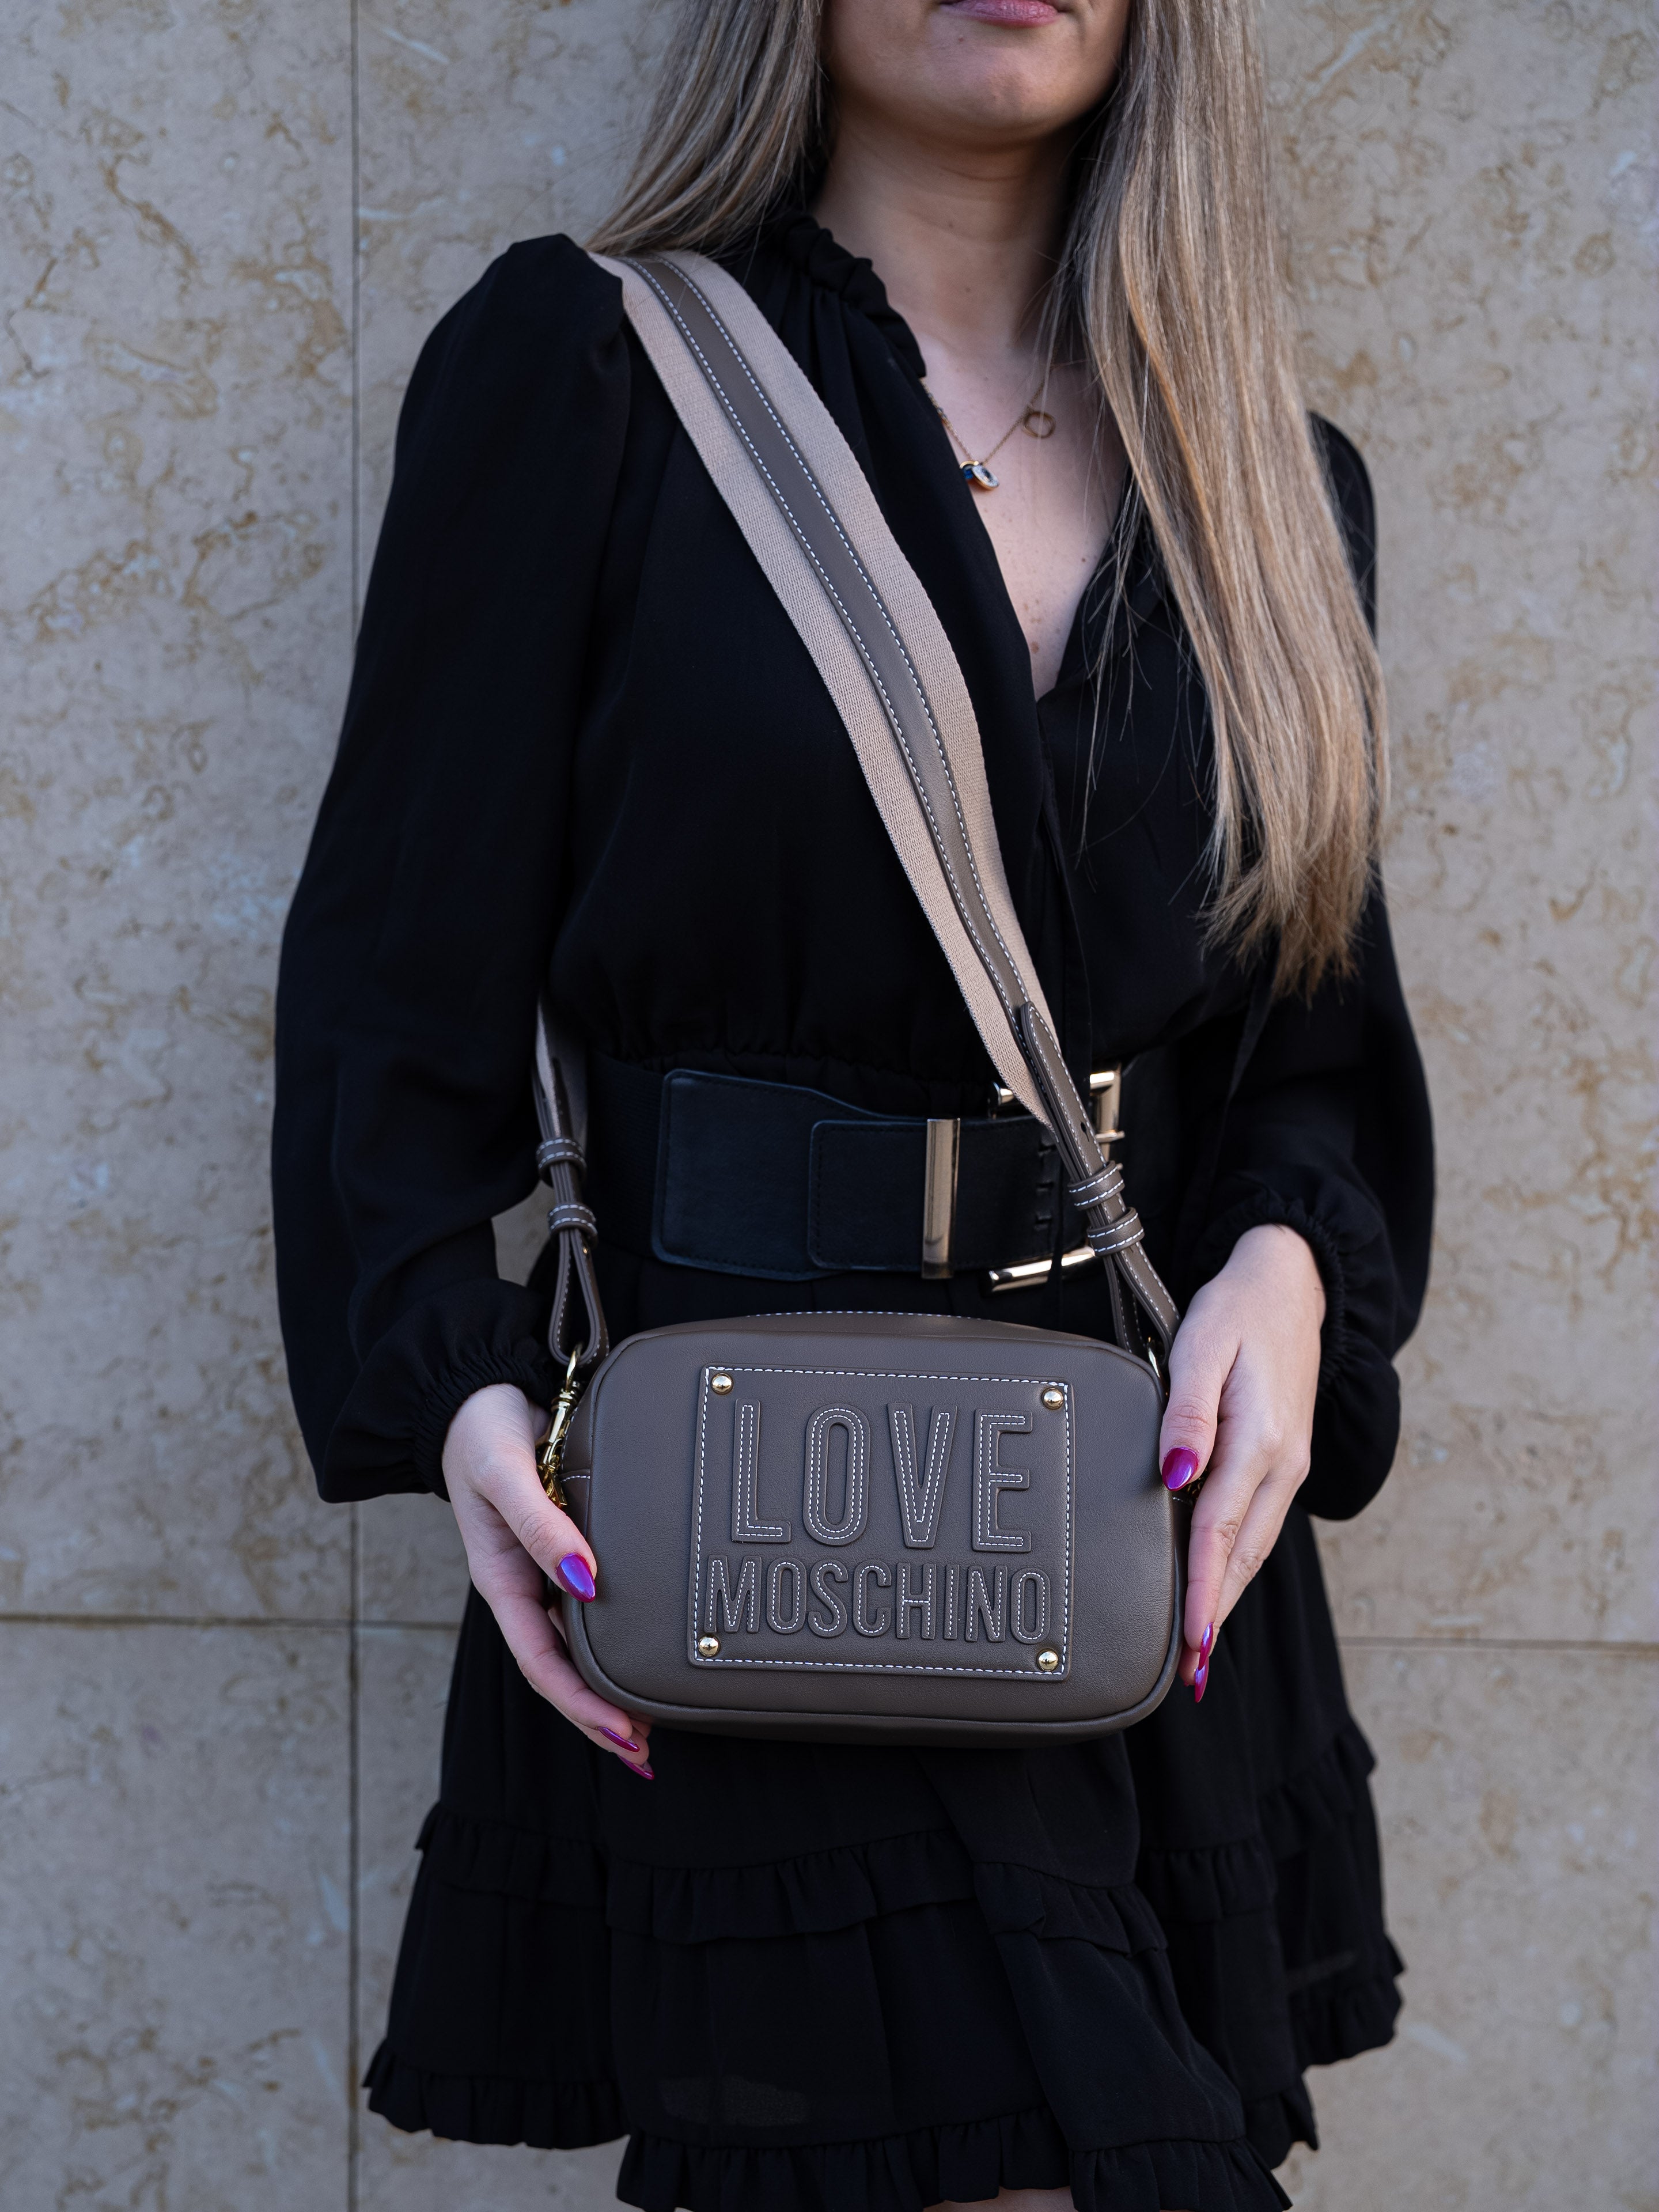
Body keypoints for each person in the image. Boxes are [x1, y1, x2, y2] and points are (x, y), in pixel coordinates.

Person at [273, 1, 1433, 2206]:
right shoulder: (590, 370)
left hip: (1133, 1509)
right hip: (755, 1487)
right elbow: (394, 978)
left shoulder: (1274, 484)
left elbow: (1314, 1035)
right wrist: (452, 1381)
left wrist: (1292, 1268)